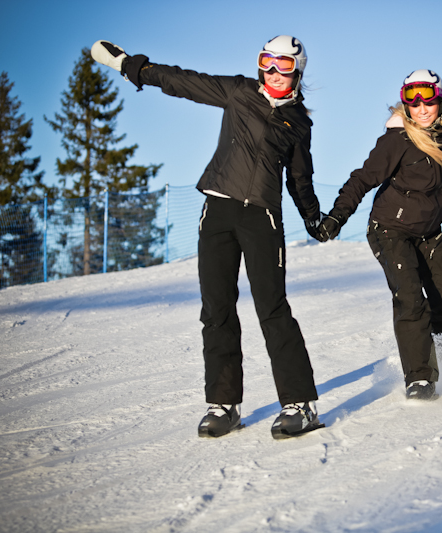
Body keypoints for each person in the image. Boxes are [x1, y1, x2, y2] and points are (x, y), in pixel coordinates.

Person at [91, 37, 325, 440]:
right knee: (216, 308)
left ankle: (299, 403)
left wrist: (313, 218)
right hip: (218, 209)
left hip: (263, 217)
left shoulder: (299, 122)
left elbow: (300, 179)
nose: (273, 72)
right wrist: (134, 67)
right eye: (267, 61)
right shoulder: (238, 92)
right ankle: (224, 405)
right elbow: (185, 82)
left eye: (283, 65)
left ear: (297, 71)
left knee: (271, 307)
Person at [315, 70, 442, 399]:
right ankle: (419, 376)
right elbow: (362, 179)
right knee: (411, 300)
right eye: (412, 100)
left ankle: (430, 347)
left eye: (428, 100)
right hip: (389, 230)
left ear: (440, 101)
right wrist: (337, 216)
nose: (421, 108)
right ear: (404, 103)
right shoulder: (397, 140)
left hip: (429, 233)